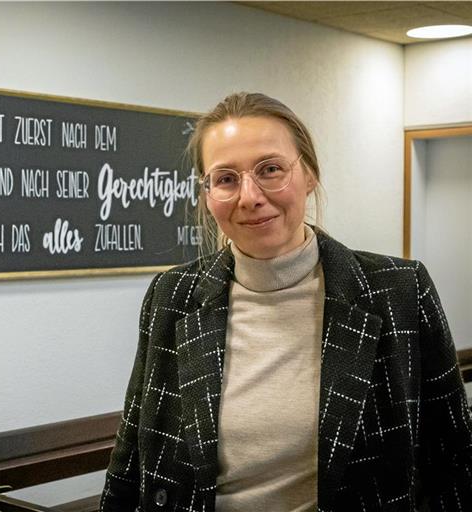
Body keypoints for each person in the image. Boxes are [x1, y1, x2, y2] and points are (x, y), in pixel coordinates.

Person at [99, 92, 472, 511]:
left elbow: (453, 462)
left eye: (270, 169)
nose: (249, 196)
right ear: (207, 194)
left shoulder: (399, 291)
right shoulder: (172, 297)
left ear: (309, 174)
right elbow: (130, 458)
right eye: (225, 178)